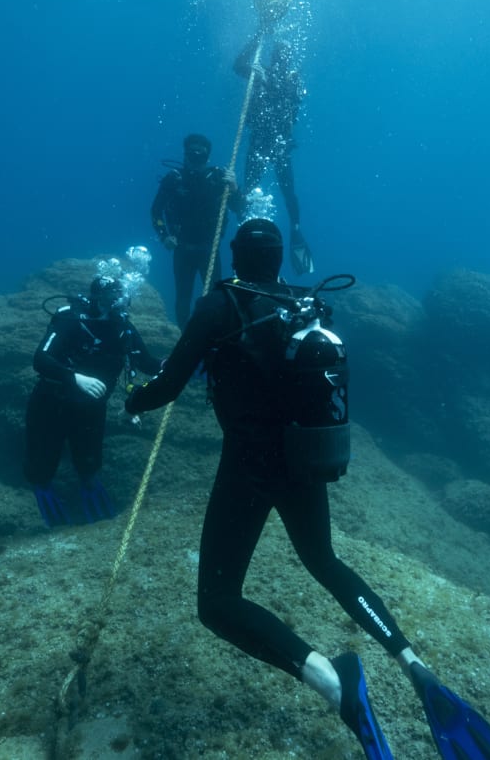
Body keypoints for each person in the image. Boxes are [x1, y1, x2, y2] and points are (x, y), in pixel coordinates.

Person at [124, 218, 415, 757]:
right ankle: (410, 660)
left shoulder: (219, 304)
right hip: (307, 458)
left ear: (233, 256)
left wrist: (131, 400)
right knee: (323, 559)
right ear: (279, 258)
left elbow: (167, 387)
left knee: (217, 601)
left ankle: (334, 681)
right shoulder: (306, 305)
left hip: (250, 464)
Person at [24, 274, 161, 527]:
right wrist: (74, 377)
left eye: (122, 299)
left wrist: (180, 365)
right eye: (112, 298)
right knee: (43, 460)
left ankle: (89, 492)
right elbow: (41, 359)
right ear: (97, 298)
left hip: (91, 408)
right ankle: (43, 493)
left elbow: (147, 363)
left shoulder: (123, 327)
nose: (118, 305)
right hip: (51, 403)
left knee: (89, 463)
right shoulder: (70, 318)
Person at [234, 37, 314, 275]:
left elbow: (296, 99)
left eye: (285, 56)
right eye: (278, 55)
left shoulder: (293, 80)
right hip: (260, 143)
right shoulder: (261, 73)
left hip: (279, 146)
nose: (281, 59)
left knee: (288, 192)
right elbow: (237, 65)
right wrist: (257, 38)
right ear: (272, 56)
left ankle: (295, 228)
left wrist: (267, 79)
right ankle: (245, 235)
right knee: (248, 191)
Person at [150, 133, 247, 330]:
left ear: (207, 158)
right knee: (182, 299)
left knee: (216, 298)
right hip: (182, 250)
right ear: (185, 155)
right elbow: (155, 211)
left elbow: (239, 209)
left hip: (209, 251)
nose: (195, 160)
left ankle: (212, 342)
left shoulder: (219, 178)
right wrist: (164, 236)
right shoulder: (174, 179)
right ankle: (185, 341)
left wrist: (235, 188)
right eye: (191, 155)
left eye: (200, 156)